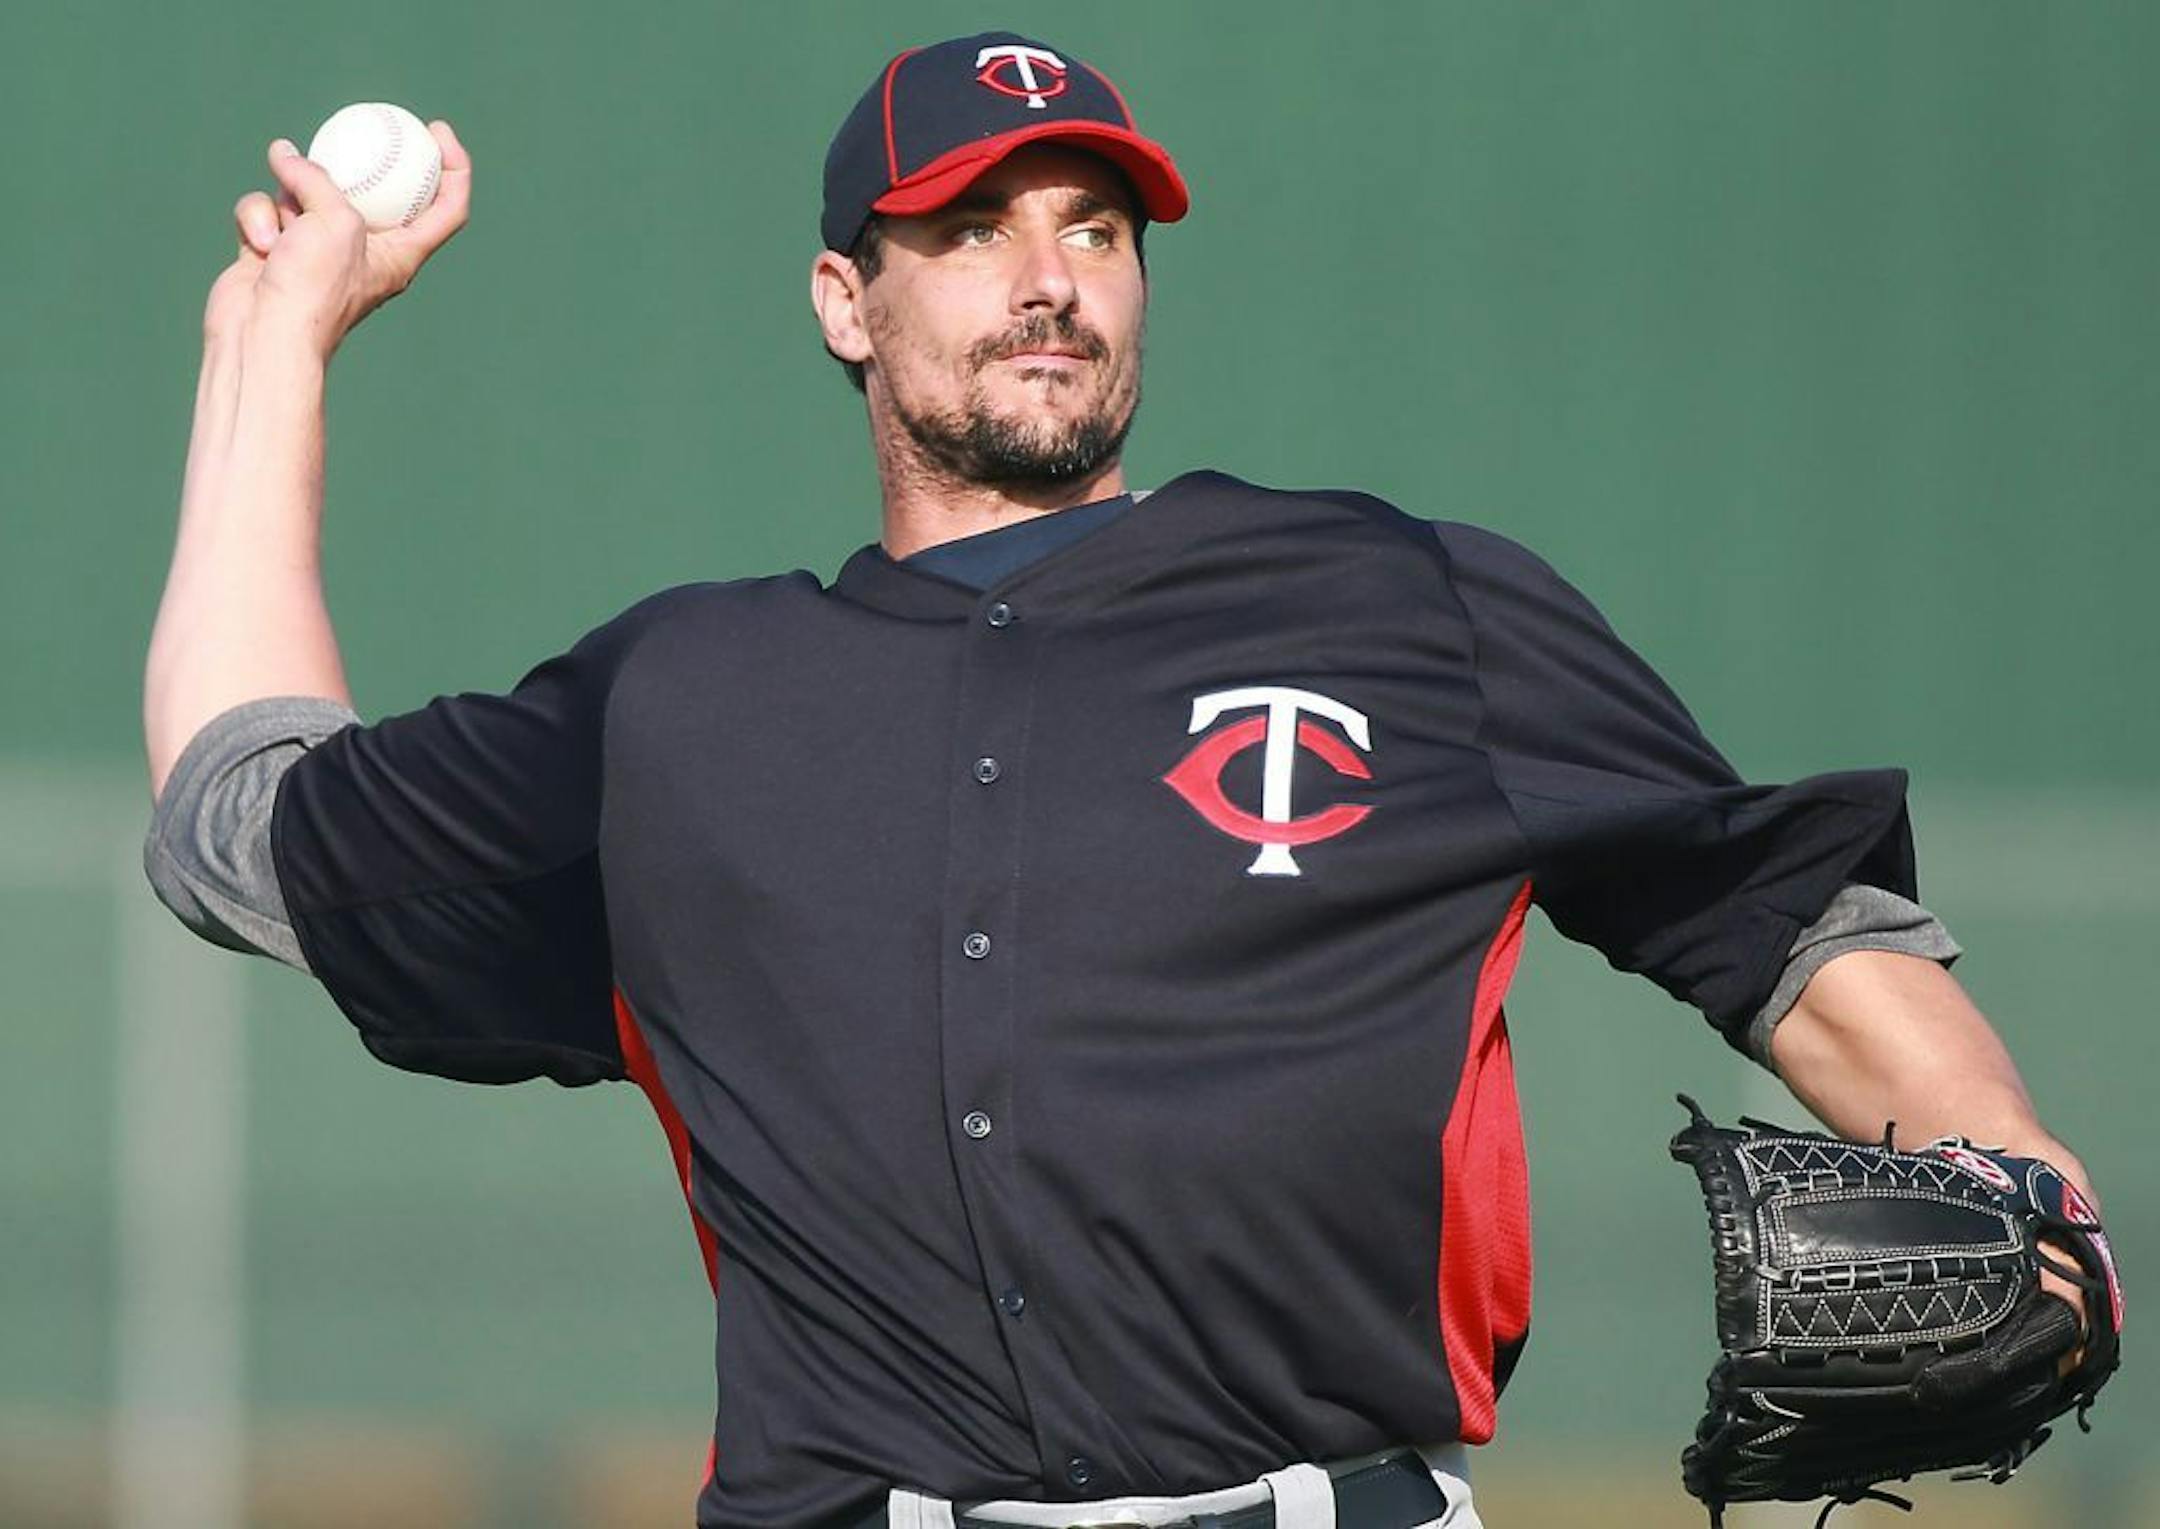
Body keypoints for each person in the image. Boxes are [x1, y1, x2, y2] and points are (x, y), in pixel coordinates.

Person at [144, 30, 2100, 1529]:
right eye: (975, 229)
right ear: (848, 302)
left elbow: (1770, 909)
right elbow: (240, 827)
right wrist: (271, 339)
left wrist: (2000, 1158)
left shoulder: (1401, 604)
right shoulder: (686, 701)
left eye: (1094, 226)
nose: (1050, 275)